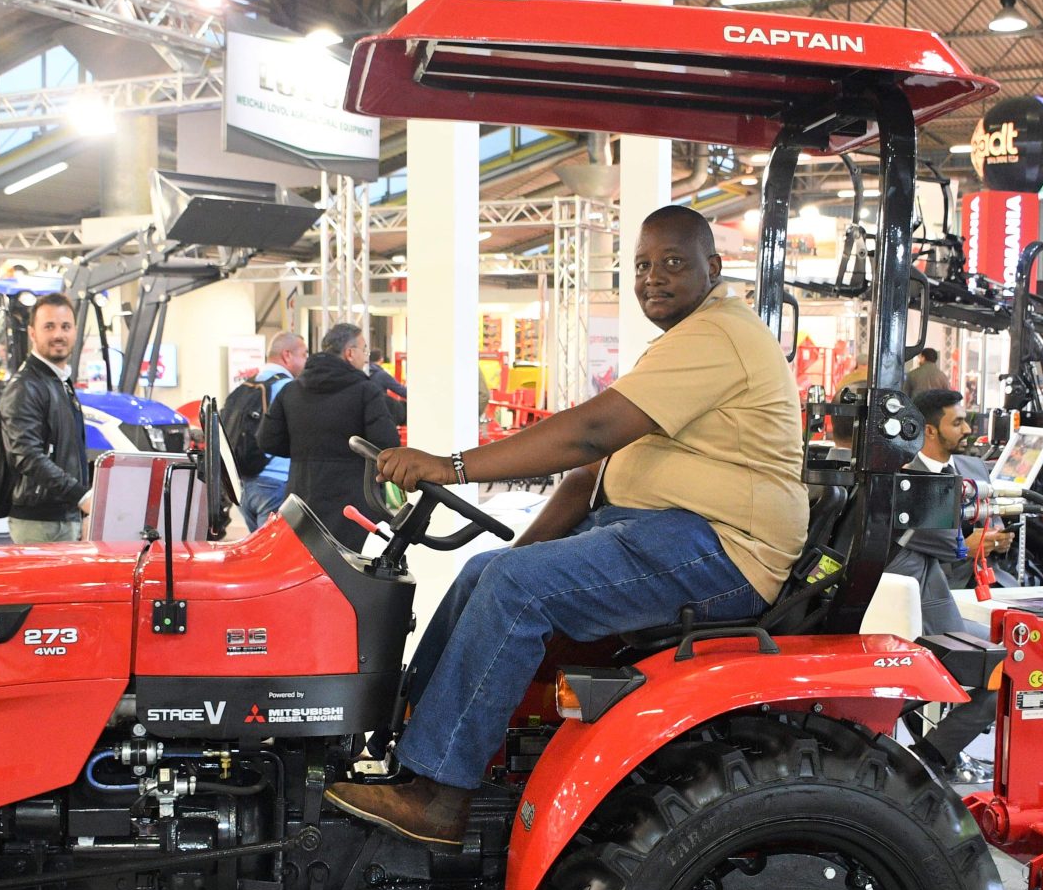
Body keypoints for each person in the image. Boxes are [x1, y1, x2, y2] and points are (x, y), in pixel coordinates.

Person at [322, 206, 806, 847]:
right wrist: (512, 561)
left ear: (713, 268)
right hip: (658, 530)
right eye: (641, 265)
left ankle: (441, 797)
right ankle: (403, 750)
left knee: (514, 586)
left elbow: (588, 433)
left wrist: (452, 465)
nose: (652, 278)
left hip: (721, 548)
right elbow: (589, 475)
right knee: (485, 573)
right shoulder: (681, 346)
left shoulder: (720, 336)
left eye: (672, 262)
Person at [884, 389, 1008, 772]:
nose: (968, 429)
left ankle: (933, 751)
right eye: (957, 422)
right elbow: (953, 547)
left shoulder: (968, 471)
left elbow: (976, 534)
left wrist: (984, 545)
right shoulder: (907, 481)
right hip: (923, 615)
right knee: (1015, 663)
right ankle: (934, 755)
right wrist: (969, 546)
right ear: (931, 431)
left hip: (950, 599)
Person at [257, 321, 401, 550]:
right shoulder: (365, 391)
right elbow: (387, 445)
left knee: (304, 567)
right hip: (353, 506)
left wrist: (303, 451)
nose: (365, 357)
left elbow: (267, 440)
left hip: (301, 500)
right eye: (364, 350)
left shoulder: (291, 390)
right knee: (349, 573)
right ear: (349, 353)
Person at [0, 292, 90, 543]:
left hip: (64, 516)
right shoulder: (25, 387)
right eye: (49, 326)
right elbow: (26, 456)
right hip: (39, 522)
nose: (58, 335)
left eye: (65, 326)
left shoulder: (60, 383)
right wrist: (81, 496)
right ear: (32, 333)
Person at [232, 331, 306, 532]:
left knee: (255, 552)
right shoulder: (288, 388)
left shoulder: (246, 386)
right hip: (275, 484)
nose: (306, 360)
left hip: (246, 486)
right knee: (271, 558)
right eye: (304, 354)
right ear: (287, 355)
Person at [368, 350, 409, 426]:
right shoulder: (381, 375)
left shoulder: (363, 373)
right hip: (380, 412)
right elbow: (403, 392)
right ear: (381, 359)